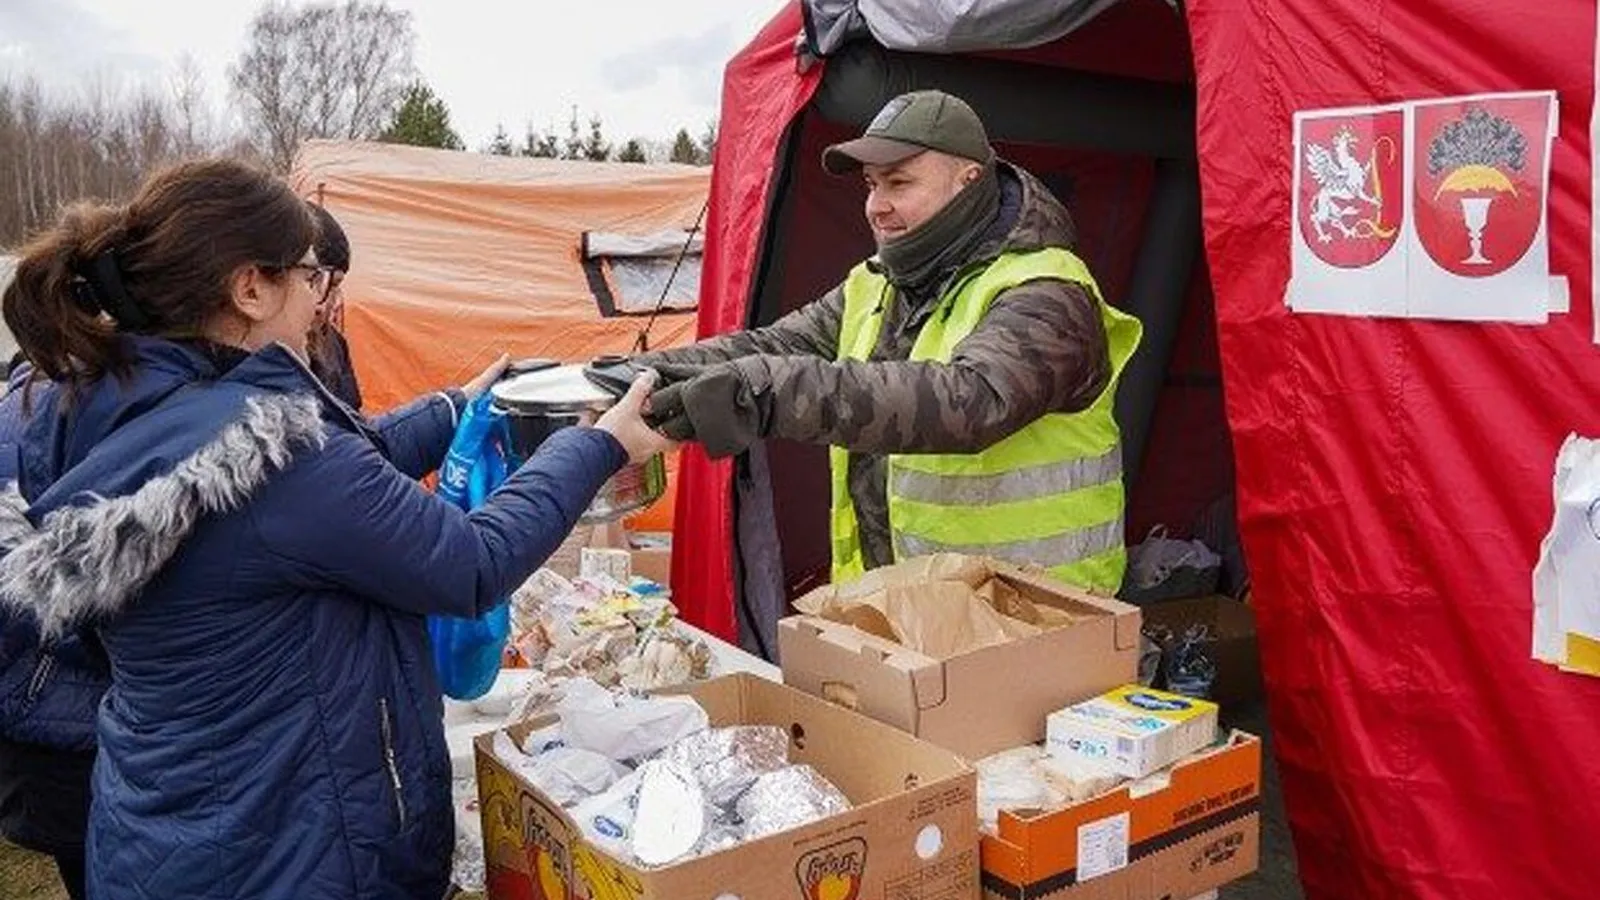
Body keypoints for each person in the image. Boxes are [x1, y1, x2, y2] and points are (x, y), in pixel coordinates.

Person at [0, 157, 674, 899]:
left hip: (169, 833)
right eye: (310, 274)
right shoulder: (276, 453)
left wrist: (454, 407)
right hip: (287, 855)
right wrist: (600, 444)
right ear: (250, 288)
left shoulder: (119, 408)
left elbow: (334, 483)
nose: (319, 299)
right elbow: (471, 562)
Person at [642, 90, 1143, 593]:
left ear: (968, 181)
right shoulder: (878, 281)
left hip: (1035, 612)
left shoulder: (1047, 289)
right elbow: (777, 345)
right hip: (902, 605)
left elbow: (972, 401)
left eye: (899, 183)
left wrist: (765, 390)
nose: (876, 207)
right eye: (871, 185)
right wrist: (639, 374)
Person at [303, 202, 364, 409]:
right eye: (311, 281)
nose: (327, 304)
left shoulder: (333, 345)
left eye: (335, 285)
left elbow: (351, 419)